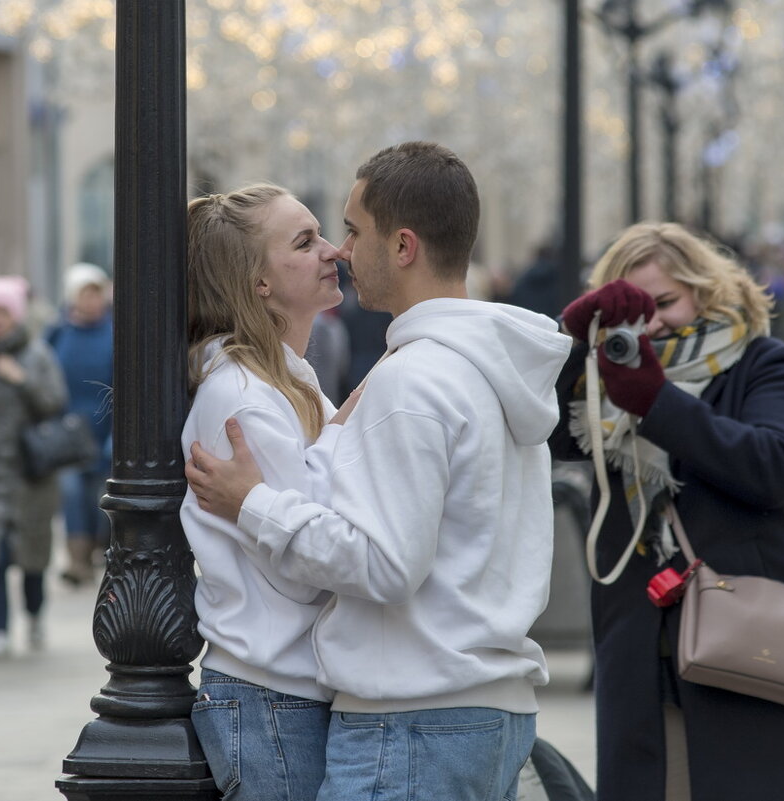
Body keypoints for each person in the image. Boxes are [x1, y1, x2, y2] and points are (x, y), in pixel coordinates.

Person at [185, 141, 572, 801]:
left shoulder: (412, 381)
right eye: (313, 239)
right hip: (444, 700)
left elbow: (380, 561)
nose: (339, 249)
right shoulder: (480, 365)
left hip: (417, 712)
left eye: (349, 230)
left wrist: (254, 503)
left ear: (402, 247)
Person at [549, 222, 784, 801]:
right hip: (646, 660)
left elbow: (775, 467)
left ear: (705, 290)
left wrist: (655, 401)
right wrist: (574, 347)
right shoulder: (603, 387)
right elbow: (541, 433)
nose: (654, 324)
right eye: (635, 311)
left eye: (666, 302)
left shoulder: (768, 365)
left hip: (756, 648)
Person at [181, 183, 347, 801]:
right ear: (258, 284)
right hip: (272, 693)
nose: (332, 251)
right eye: (305, 242)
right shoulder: (242, 397)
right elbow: (306, 568)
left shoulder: (283, 376)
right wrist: (346, 430)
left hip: (287, 689)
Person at [0, 276, 68, 658]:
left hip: (31, 474)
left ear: (17, 315)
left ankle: (35, 614)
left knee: (31, 555)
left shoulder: (37, 355)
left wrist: (21, 380)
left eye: (2, 311)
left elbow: (55, 402)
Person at [47, 263, 114, 587]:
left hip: (105, 430)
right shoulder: (57, 333)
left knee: (98, 495)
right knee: (71, 493)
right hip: (68, 433)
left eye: (96, 293)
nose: (91, 301)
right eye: (85, 294)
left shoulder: (116, 332)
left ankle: (100, 550)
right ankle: (77, 560)